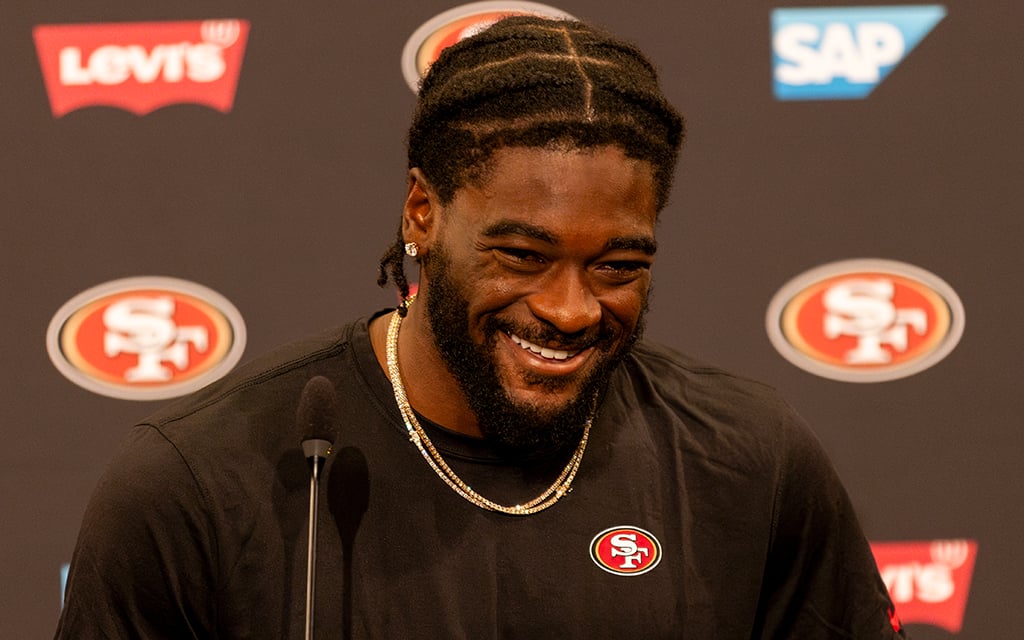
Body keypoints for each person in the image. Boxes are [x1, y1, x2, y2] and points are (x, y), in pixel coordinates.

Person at [55, 15, 905, 639]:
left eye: (618, 266)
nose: (570, 310)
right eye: (522, 255)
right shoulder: (194, 487)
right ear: (422, 213)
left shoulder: (748, 460)